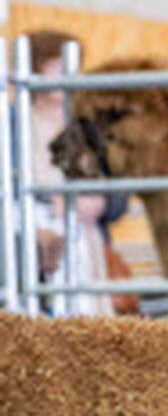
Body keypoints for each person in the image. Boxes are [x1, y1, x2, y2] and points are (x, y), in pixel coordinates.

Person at [25, 30, 127, 316]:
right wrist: (49, 205)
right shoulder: (13, 123)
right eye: (59, 66)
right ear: (36, 68)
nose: (68, 74)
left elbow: (121, 188)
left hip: (91, 251)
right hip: (40, 253)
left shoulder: (89, 128)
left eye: (73, 66)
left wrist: (102, 204)